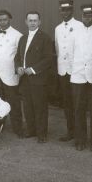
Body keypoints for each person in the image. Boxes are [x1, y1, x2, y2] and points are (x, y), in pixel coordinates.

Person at [15, 11, 54, 143]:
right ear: (26, 22)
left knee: (40, 106)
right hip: (25, 79)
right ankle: (31, 130)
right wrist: (19, 67)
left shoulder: (45, 38)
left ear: (39, 22)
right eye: (30, 20)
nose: (32, 23)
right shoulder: (23, 38)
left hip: (38, 79)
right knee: (27, 106)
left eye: (35, 20)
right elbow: (18, 57)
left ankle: (41, 133)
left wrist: (33, 69)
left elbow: (48, 59)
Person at [70, 4, 92, 151]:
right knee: (78, 110)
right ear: (81, 16)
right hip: (78, 77)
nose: (87, 18)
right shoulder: (74, 32)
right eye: (84, 15)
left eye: (90, 15)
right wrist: (74, 70)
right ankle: (80, 140)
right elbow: (69, 54)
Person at [0, 9, 23, 137]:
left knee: (14, 103)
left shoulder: (18, 35)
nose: (2, 22)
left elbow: (19, 56)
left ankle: (18, 128)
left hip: (10, 75)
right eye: (0, 20)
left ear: (9, 20)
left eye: (4, 19)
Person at [54, 0, 83, 142]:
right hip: (63, 71)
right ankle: (70, 131)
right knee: (67, 104)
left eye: (68, 10)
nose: (65, 13)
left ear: (72, 11)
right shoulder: (58, 28)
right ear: (60, 11)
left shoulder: (79, 26)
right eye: (62, 10)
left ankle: (79, 133)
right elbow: (58, 49)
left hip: (76, 71)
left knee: (77, 104)